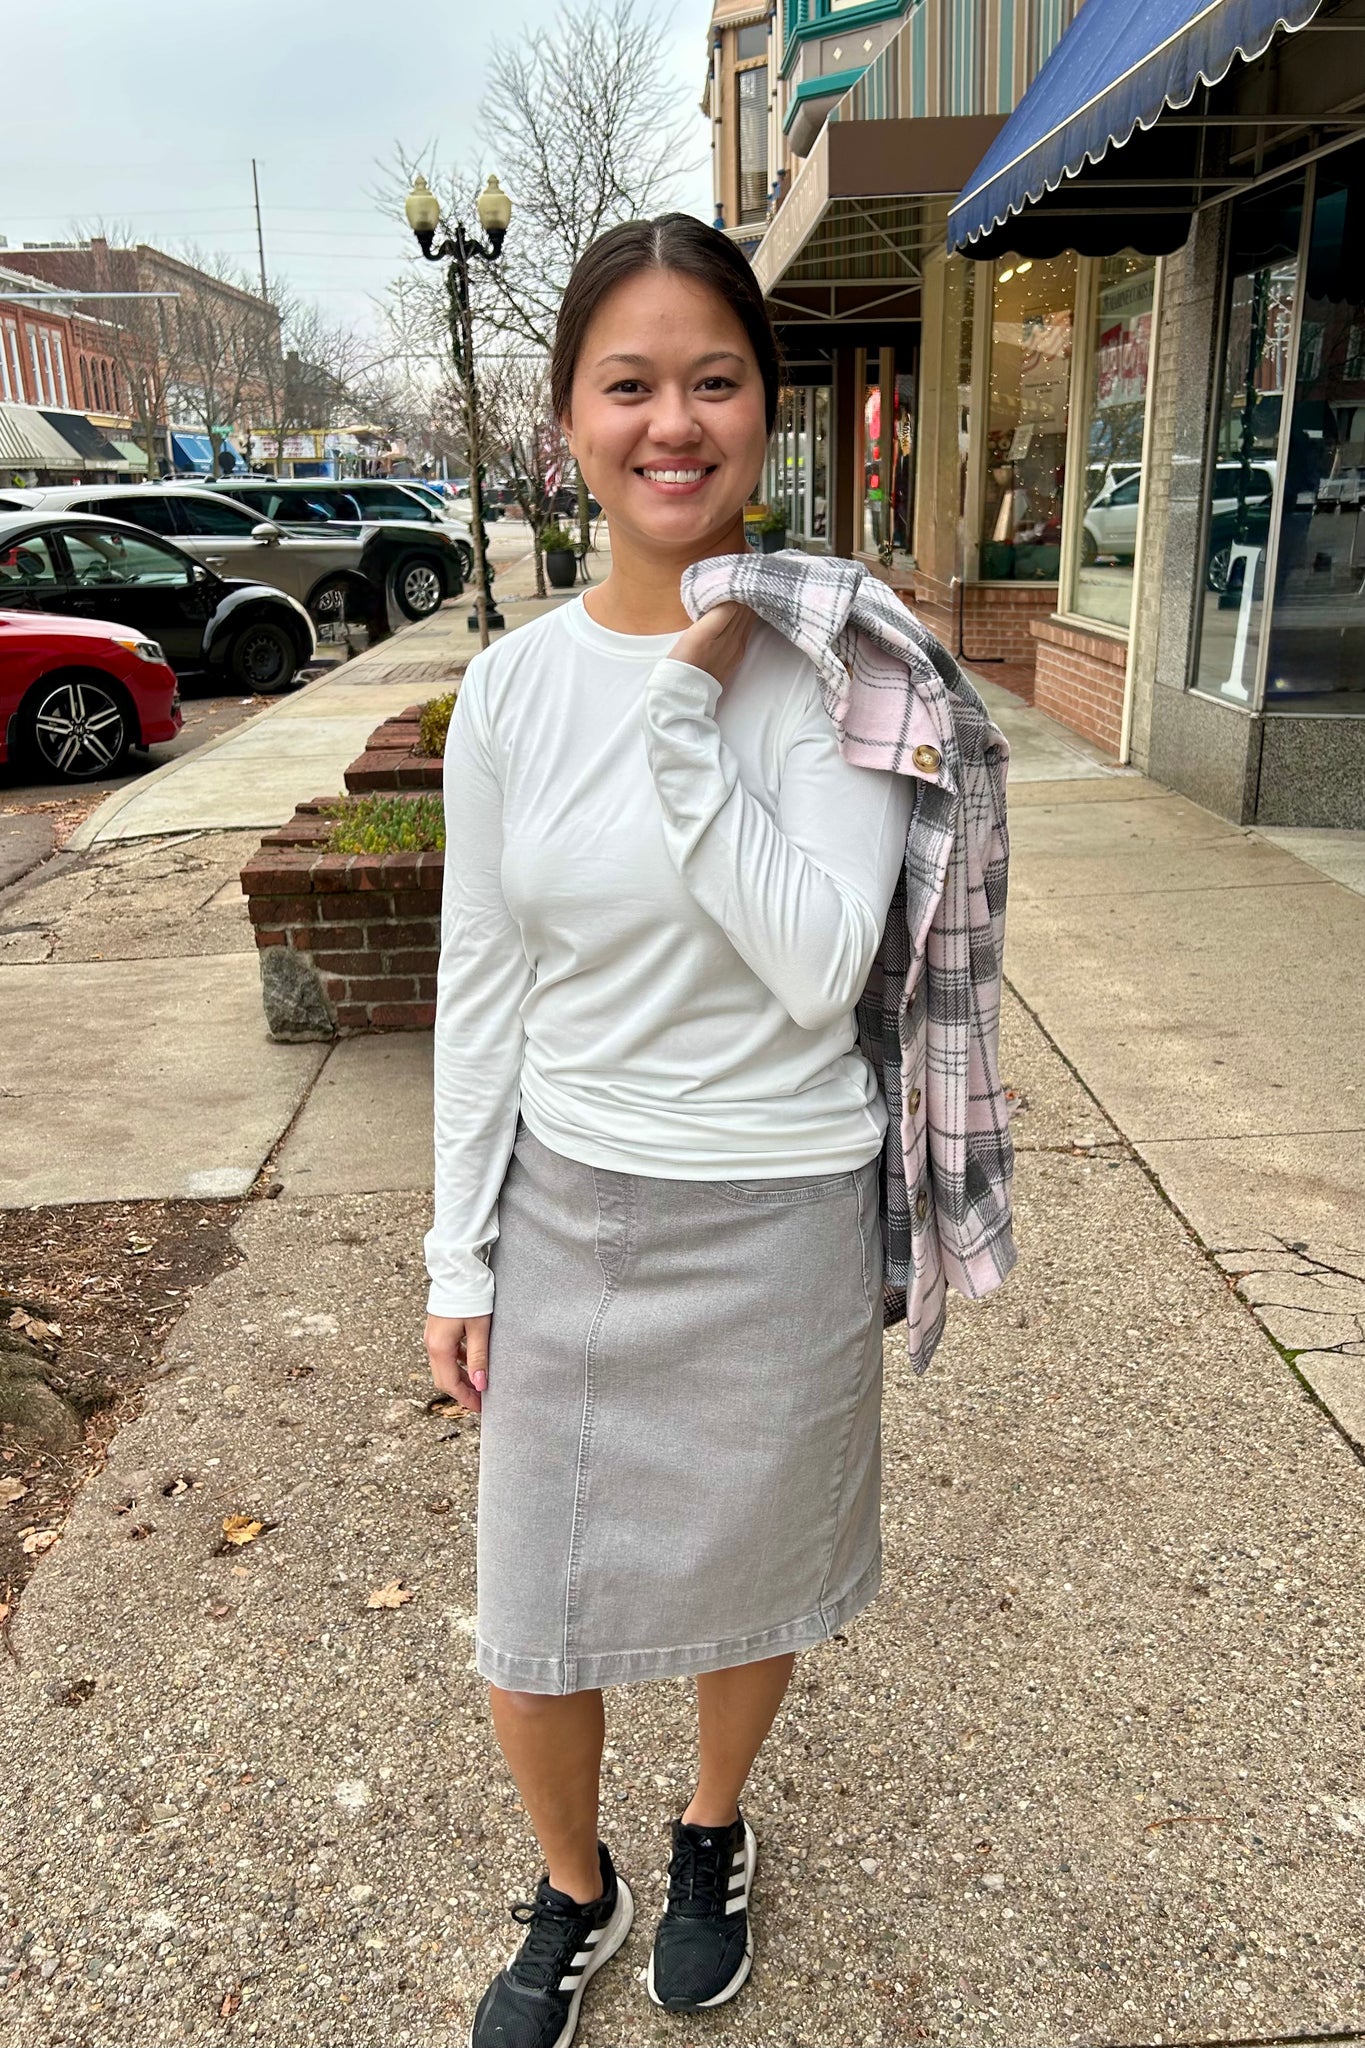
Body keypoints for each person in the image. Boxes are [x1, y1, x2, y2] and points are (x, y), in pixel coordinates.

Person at [424, 213, 916, 2048]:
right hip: (575, 1206)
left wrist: (693, 707)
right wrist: (456, 1250)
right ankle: (577, 1885)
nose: (672, 422)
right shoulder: (509, 689)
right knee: (528, 1613)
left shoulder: (845, 663)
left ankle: (710, 1827)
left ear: (764, 412)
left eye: (713, 379)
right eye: (627, 384)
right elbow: (484, 981)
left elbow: (817, 963)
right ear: (568, 418)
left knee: (747, 1573)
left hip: (781, 1206)